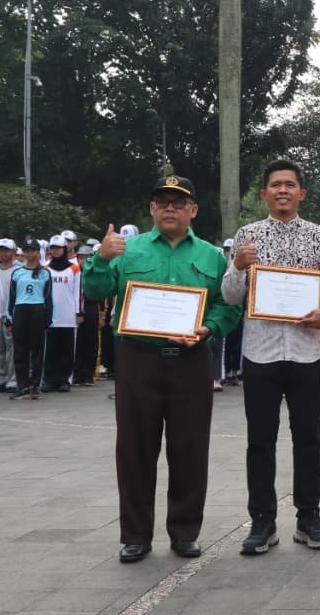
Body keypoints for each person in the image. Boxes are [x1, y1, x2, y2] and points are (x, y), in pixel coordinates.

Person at [81, 175, 241, 563]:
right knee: (134, 449)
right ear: (152, 209)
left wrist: (209, 328)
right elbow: (96, 290)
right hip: (138, 360)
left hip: (190, 361)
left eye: (178, 202)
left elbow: (228, 305)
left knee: (190, 448)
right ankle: (135, 535)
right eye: (162, 201)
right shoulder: (125, 249)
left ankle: (185, 531)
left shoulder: (211, 257)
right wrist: (101, 258)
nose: (170, 208)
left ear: (193, 210)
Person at [221, 160, 320, 555]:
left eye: (290, 185)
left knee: (308, 439)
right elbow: (230, 296)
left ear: (301, 193)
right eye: (275, 185)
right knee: (260, 440)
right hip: (261, 352)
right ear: (264, 194)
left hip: (307, 353)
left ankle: (309, 517)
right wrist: (239, 267)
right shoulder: (248, 235)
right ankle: (262, 521)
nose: (283, 191)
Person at [7, 240, 52, 400]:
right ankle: (22, 386)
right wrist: (9, 319)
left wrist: (48, 318)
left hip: (37, 310)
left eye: (32, 250)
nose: (29, 254)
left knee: (37, 350)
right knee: (20, 350)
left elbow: (48, 298)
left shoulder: (45, 273)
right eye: (26, 250)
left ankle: (35, 385)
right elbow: (11, 298)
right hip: (20, 310)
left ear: (38, 252)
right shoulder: (17, 273)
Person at [42, 234, 80, 393]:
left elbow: (78, 292)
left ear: (64, 249)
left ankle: (65, 379)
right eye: (53, 248)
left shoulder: (74, 268)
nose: (56, 251)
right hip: (50, 317)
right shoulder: (45, 268)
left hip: (68, 316)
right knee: (50, 350)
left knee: (66, 350)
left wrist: (79, 312)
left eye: (58, 248)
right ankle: (50, 380)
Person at [0, 239, 19, 393]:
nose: (3, 253)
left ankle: (12, 381)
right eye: (0, 250)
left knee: (11, 349)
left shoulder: (19, 270)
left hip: (12, 315)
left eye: (6, 250)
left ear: (14, 252)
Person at [73, 244, 106, 386]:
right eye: (80, 257)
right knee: (78, 342)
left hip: (92, 307)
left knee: (91, 341)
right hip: (77, 308)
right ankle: (77, 373)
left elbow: (102, 294)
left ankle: (88, 374)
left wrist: (102, 315)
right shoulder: (74, 272)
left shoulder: (94, 273)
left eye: (86, 257)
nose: (83, 260)